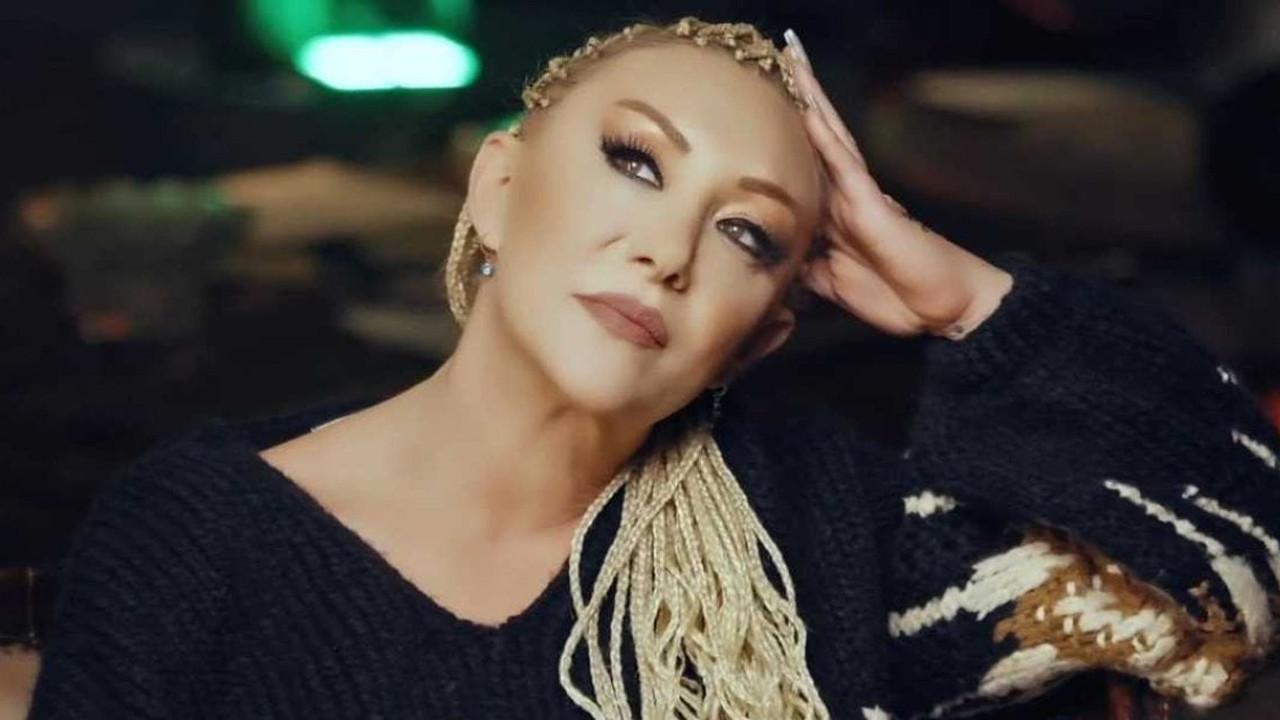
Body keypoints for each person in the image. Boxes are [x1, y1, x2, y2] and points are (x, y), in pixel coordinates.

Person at [26, 17, 1280, 720]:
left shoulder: (817, 533)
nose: (667, 250)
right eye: (635, 162)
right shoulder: (202, 529)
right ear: (499, 187)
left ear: (764, 332)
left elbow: (1224, 586)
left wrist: (967, 300)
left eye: (748, 235)